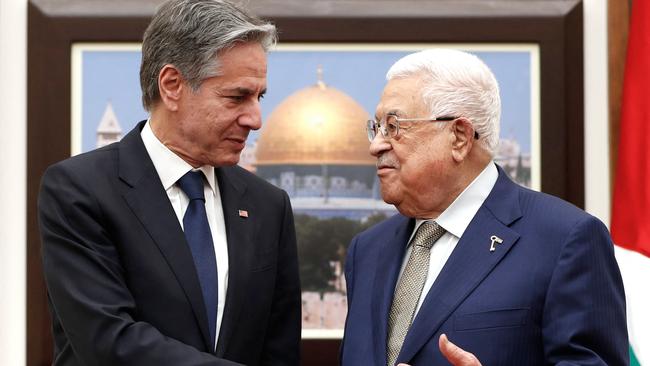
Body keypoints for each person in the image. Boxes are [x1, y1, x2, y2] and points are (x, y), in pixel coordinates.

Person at [38, 0, 300, 365]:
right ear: (173, 85)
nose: (256, 119)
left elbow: (279, 349)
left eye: (259, 97)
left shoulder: (267, 205)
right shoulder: (80, 191)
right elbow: (108, 340)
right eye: (237, 96)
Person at [340, 49, 628, 365]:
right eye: (377, 126)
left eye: (394, 126)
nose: (376, 145)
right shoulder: (366, 251)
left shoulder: (565, 240)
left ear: (460, 137)